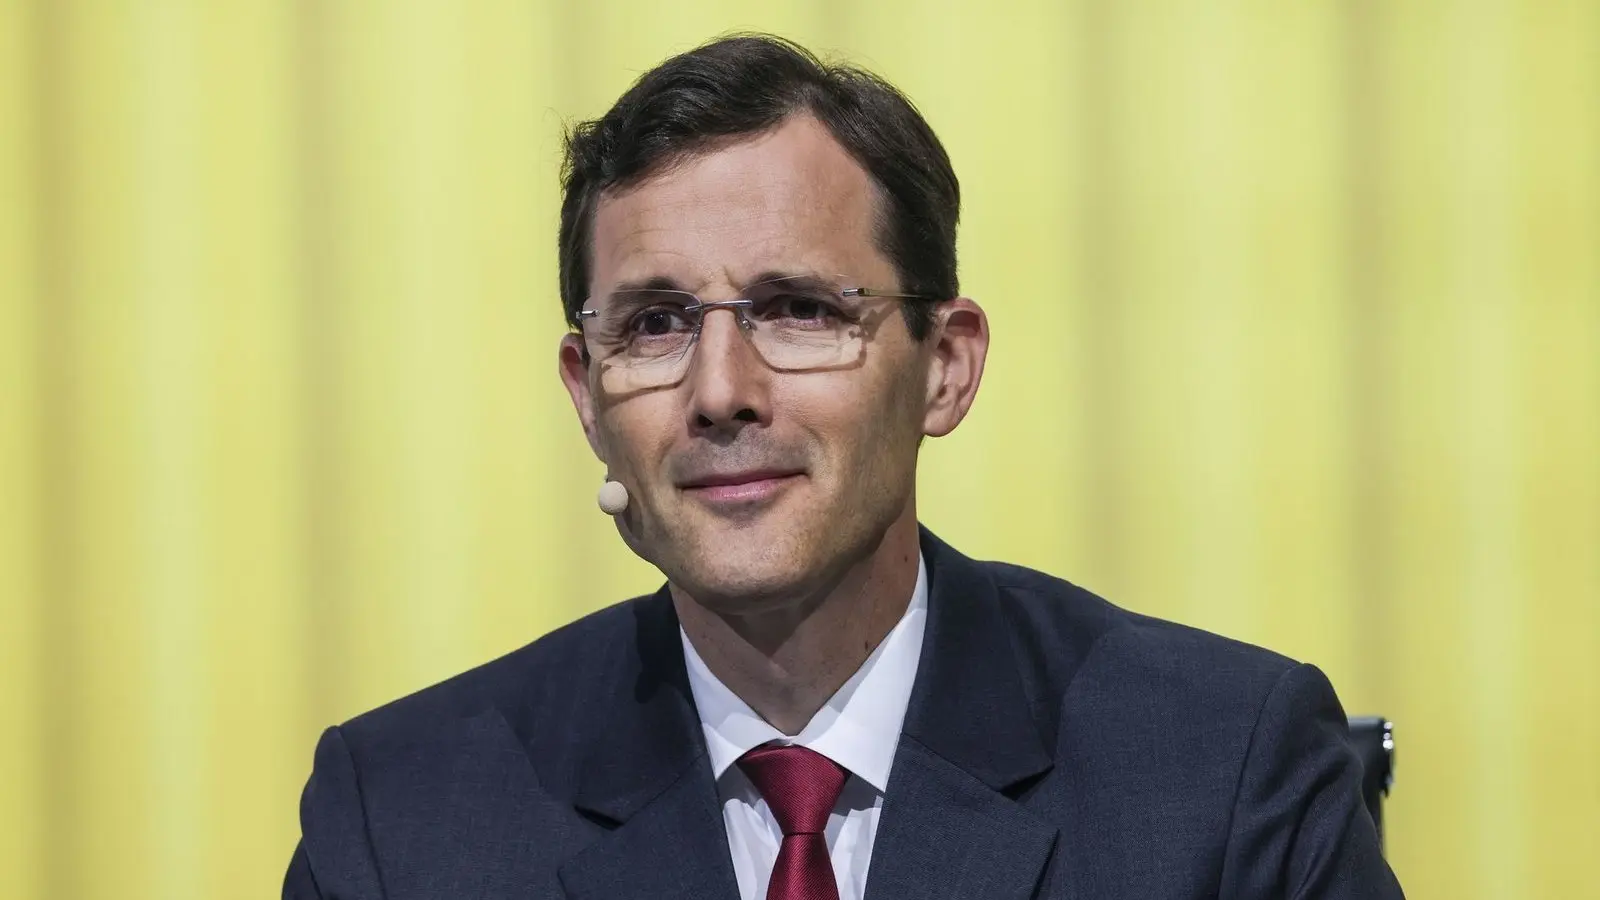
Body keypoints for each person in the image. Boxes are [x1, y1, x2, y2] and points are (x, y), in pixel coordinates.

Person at [283, 34, 1404, 900]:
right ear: (586, 393)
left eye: (799, 310)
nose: (720, 390)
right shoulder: (403, 821)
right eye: (656, 325)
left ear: (945, 368)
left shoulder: (1220, 774)